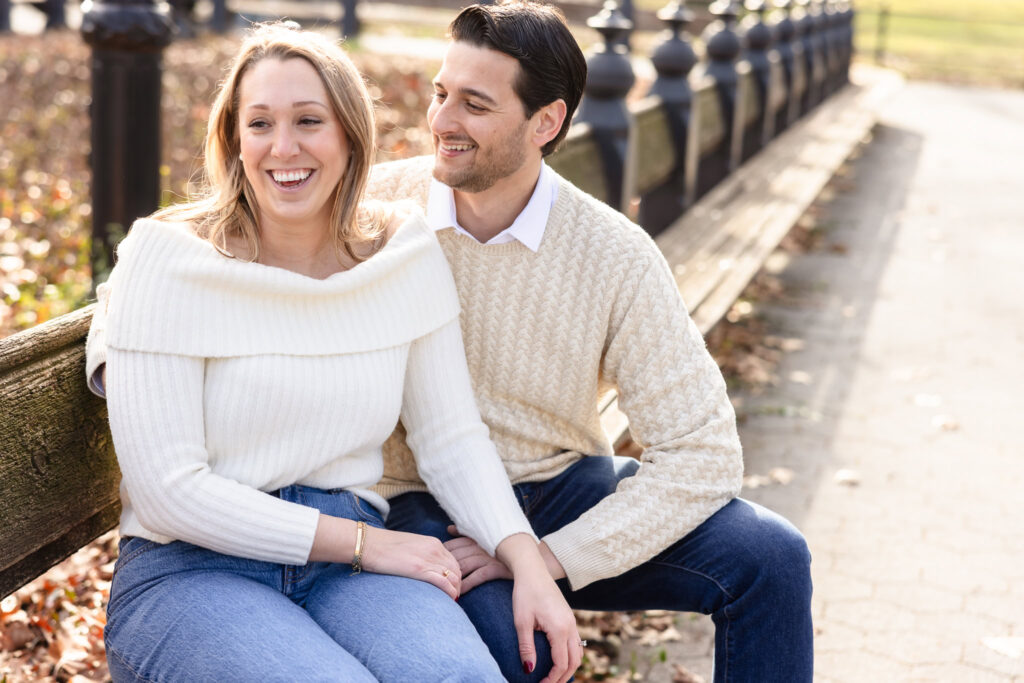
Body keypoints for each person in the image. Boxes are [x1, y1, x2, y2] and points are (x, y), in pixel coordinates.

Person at [89, 4, 814, 681]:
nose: (443, 120)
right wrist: (129, 318)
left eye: (474, 103)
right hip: (379, 517)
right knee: (510, 651)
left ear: (545, 122)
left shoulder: (416, 243)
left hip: (517, 497)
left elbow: (460, 434)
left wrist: (537, 558)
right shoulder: (358, 205)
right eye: (441, 94)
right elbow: (217, 246)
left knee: (768, 557)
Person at [86, 22, 582, 683]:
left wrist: (526, 559)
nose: (282, 147)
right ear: (234, 139)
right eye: (259, 123)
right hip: (194, 568)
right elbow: (170, 492)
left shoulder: (400, 255)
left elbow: (451, 437)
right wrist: (365, 542)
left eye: (309, 120)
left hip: (350, 569)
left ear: (349, 134)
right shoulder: (169, 260)